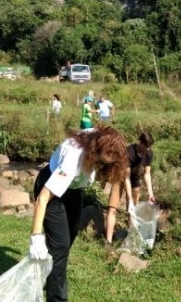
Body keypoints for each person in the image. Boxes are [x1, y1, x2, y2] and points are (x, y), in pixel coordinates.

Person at [29, 125, 131, 301]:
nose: (108, 164)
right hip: (52, 191)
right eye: (105, 159)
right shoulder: (73, 158)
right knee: (60, 247)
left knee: (67, 239)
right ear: (96, 150)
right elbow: (43, 198)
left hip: (75, 190)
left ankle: (48, 270)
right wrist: (36, 237)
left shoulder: (98, 139)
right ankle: (57, 298)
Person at [105, 131, 155, 244]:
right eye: (146, 146)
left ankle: (129, 237)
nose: (147, 149)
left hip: (135, 178)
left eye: (149, 146)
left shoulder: (149, 153)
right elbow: (126, 178)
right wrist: (129, 199)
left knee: (133, 211)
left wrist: (150, 194)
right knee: (112, 208)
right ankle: (108, 241)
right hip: (120, 176)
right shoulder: (129, 152)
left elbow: (147, 174)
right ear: (140, 142)